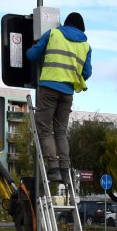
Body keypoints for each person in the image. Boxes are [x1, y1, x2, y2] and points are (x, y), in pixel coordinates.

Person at [27, 12, 92, 184]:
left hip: (49, 88)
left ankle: (53, 168)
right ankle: (65, 170)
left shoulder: (54, 34)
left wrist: (33, 47)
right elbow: (87, 72)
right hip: (68, 93)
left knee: (45, 128)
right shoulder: (86, 46)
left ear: (65, 24)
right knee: (61, 132)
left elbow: (32, 56)